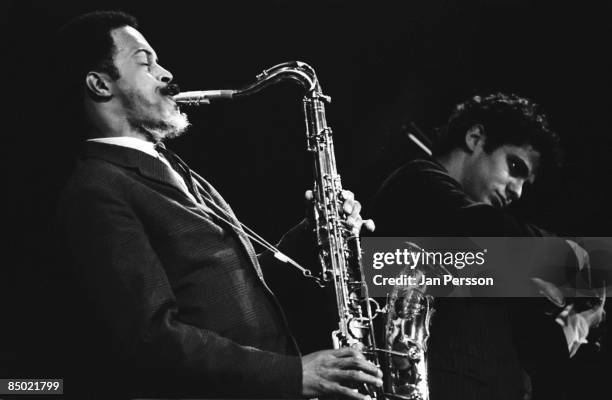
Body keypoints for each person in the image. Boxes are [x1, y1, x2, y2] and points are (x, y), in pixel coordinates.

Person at [55, 10, 381, 399]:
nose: (165, 74)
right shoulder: (96, 188)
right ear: (99, 84)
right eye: (145, 62)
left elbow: (238, 283)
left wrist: (318, 230)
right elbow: (151, 339)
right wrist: (291, 374)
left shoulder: (173, 167)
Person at [370, 93, 604, 399]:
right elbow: (484, 224)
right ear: (475, 137)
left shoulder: (482, 243)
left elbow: (532, 345)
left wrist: (577, 325)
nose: (517, 191)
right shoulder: (420, 183)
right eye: (515, 166)